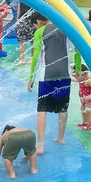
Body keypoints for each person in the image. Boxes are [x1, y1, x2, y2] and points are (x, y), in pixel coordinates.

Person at [27, 13, 72, 155]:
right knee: (63, 108)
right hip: (65, 74)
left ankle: (40, 145)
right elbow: (77, 51)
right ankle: (61, 138)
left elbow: (36, 56)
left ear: (39, 21)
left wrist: (31, 77)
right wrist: (77, 68)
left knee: (42, 108)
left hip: (47, 75)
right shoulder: (66, 29)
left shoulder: (40, 32)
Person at [73, 64, 91, 131]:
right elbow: (73, 80)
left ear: (84, 74)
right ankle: (85, 122)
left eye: (77, 75)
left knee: (88, 112)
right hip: (83, 99)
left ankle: (90, 125)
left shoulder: (89, 80)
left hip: (89, 100)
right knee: (83, 111)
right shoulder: (81, 79)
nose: (76, 77)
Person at [15, 0, 36, 66]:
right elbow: (19, 6)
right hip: (22, 19)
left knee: (33, 40)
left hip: (31, 20)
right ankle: (21, 59)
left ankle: (32, 58)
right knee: (21, 40)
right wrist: (18, 19)